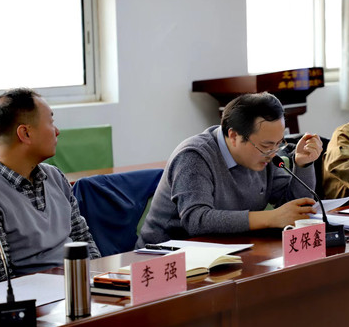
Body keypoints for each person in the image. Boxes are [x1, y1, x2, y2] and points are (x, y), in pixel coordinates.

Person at [136, 92, 323, 246]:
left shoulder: (264, 157)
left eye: (278, 143)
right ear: (233, 136)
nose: (273, 152)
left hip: (230, 249)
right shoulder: (194, 156)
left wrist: (303, 164)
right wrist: (270, 218)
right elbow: (196, 220)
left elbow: (294, 209)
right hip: (167, 257)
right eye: (266, 145)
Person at [0, 88, 100, 286]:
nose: (57, 131)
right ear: (25, 133)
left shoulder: (55, 177)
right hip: (37, 300)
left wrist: (98, 283)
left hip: (79, 288)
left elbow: (84, 241)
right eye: (50, 122)